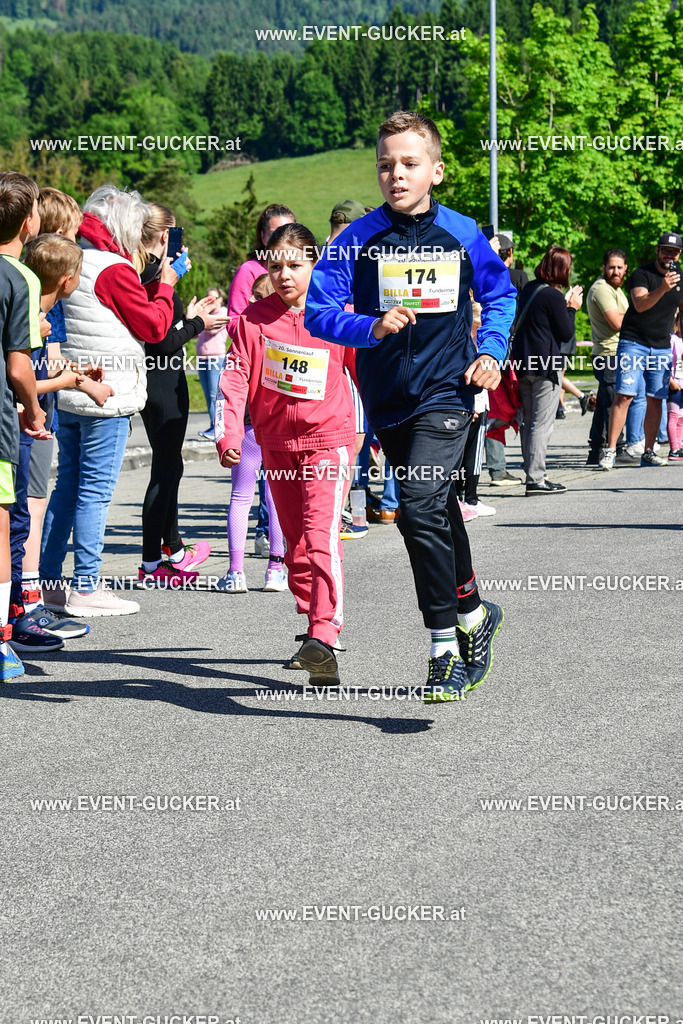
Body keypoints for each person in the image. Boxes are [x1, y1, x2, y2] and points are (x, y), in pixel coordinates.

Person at [305, 110, 514, 702]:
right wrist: (369, 327)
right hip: (389, 400)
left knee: (417, 507)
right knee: (436, 507)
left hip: (449, 390)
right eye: (385, 165)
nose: (395, 174)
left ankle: (443, 648)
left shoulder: (464, 233)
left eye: (409, 164)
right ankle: (474, 612)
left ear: (436, 172)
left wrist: (492, 351)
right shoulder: (354, 240)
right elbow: (319, 313)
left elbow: (500, 295)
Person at [216, 223, 357, 685]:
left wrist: (384, 432)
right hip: (276, 447)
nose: (285, 275)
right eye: (275, 267)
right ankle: (313, 626)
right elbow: (234, 379)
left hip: (329, 441)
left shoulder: (336, 313)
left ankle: (325, 633)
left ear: (314, 264)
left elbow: (366, 373)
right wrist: (229, 435)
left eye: (295, 265)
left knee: (320, 537)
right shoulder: (252, 321)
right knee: (295, 546)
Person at [40, 184, 178, 617]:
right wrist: (167, 286)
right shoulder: (113, 268)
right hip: (107, 394)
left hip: (71, 388)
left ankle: (47, 582)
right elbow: (154, 326)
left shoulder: (74, 255)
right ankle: (87, 585)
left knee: (67, 489)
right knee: (95, 493)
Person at [13, 234, 108, 651]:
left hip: (26, 427)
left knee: (21, 517)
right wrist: (65, 385)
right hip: (18, 431)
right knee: (19, 519)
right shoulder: (29, 313)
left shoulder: (37, 310)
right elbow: (21, 378)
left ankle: (23, 609)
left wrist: (77, 375)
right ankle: (19, 614)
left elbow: (39, 368)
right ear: (68, 280)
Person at [136, 203, 225, 585]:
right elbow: (160, 342)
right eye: (175, 234)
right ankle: (152, 562)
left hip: (157, 380)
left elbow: (161, 329)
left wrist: (187, 318)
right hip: (161, 382)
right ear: (164, 235)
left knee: (170, 465)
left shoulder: (144, 272)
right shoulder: (154, 275)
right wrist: (198, 324)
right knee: (165, 469)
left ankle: (173, 549)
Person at [0, 172, 48, 680]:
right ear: (29, 223)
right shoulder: (21, 278)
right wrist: (33, 411)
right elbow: (19, 367)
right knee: (0, 533)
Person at [228, 203, 296, 558]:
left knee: (276, 488)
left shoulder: (302, 276)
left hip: (289, 397)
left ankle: (275, 560)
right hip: (256, 395)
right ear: (262, 236)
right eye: (274, 233)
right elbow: (234, 322)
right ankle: (243, 564)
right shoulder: (250, 271)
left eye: (289, 229)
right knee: (248, 486)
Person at [599, 232, 683, 471]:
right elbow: (640, 304)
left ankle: (648, 452)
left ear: (679, 255)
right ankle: (610, 450)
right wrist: (663, 288)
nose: (669, 255)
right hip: (634, 343)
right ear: (657, 251)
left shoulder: (680, 278)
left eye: (674, 252)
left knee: (655, 399)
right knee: (624, 395)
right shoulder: (641, 274)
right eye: (665, 250)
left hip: (662, 346)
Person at [512, 246, 583, 495]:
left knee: (529, 422)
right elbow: (565, 333)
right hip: (546, 366)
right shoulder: (553, 296)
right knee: (541, 424)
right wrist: (572, 307)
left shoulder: (530, 288)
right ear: (562, 270)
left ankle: (532, 474)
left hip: (523, 364)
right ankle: (536, 479)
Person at [585, 248, 629, 464]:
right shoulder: (601, 289)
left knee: (604, 403)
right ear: (604, 267)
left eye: (619, 267)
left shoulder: (616, 290)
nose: (615, 271)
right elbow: (617, 322)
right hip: (608, 354)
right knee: (613, 404)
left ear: (625, 269)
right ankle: (617, 449)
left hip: (616, 353)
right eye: (611, 267)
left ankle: (595, 451)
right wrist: (639, 313)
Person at [196, 285, 228, 442]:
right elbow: (195, 332)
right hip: (202, 358)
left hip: (216, 358)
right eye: (209, 297)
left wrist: (201, 319)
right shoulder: (206, 315)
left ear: (220, 299)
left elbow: (212, 329)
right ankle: (212, 425)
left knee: (214, 394)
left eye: (214, 298)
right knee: (208, 395)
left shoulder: (223, 312)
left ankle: (218, 427)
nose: (211, 301)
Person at [666, 312, 683, 461]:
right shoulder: (672, 340)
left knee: (681, 418)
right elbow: (665, 362)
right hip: (674, 384)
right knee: (673, 415)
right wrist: (670, 380)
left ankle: (679, 446)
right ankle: (674, 448)